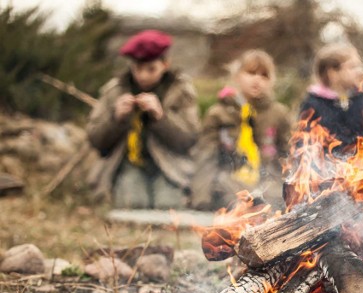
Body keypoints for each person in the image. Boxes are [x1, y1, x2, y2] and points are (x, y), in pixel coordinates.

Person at [87, 29, 200, 209]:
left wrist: (160, 117)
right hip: (127, 165)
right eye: (138, 69)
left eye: (151, 69)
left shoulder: (181, 91)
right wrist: (117, 118)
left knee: (168, 208)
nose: (143, 76)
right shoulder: (114, 90)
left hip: (169, 167)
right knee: (133, 205)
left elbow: (188, 140)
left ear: (165, 64)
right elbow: (96, 141)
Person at [190, 49, 291, 211]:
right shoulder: (219, 113)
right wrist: (201, 197)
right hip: (229, 183)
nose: (257, 79)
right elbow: (205, 156)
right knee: (230, 200)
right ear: (237, 76)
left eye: (264, 75)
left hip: (268, 184)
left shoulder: (279, 114)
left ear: (272, 81)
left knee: (269, 205)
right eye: (251, 73)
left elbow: (287, 155)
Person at [296, 43, 363, 160]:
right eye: (352, 67)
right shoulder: (313, 104)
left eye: (359, 66)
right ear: (332, 73)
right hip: (326, 171)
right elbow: (304, 142)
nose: (359, 72)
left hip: (362, 170)